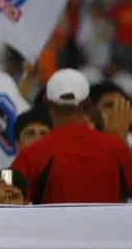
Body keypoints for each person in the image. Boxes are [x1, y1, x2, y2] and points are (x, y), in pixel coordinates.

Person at [10, 69, 132, 204]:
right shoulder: (117, 148)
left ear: (46, 102)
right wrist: (121, 141)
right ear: (87, 103)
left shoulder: (33, 153)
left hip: (52, 225)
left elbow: (5, 191)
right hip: (110, 225)